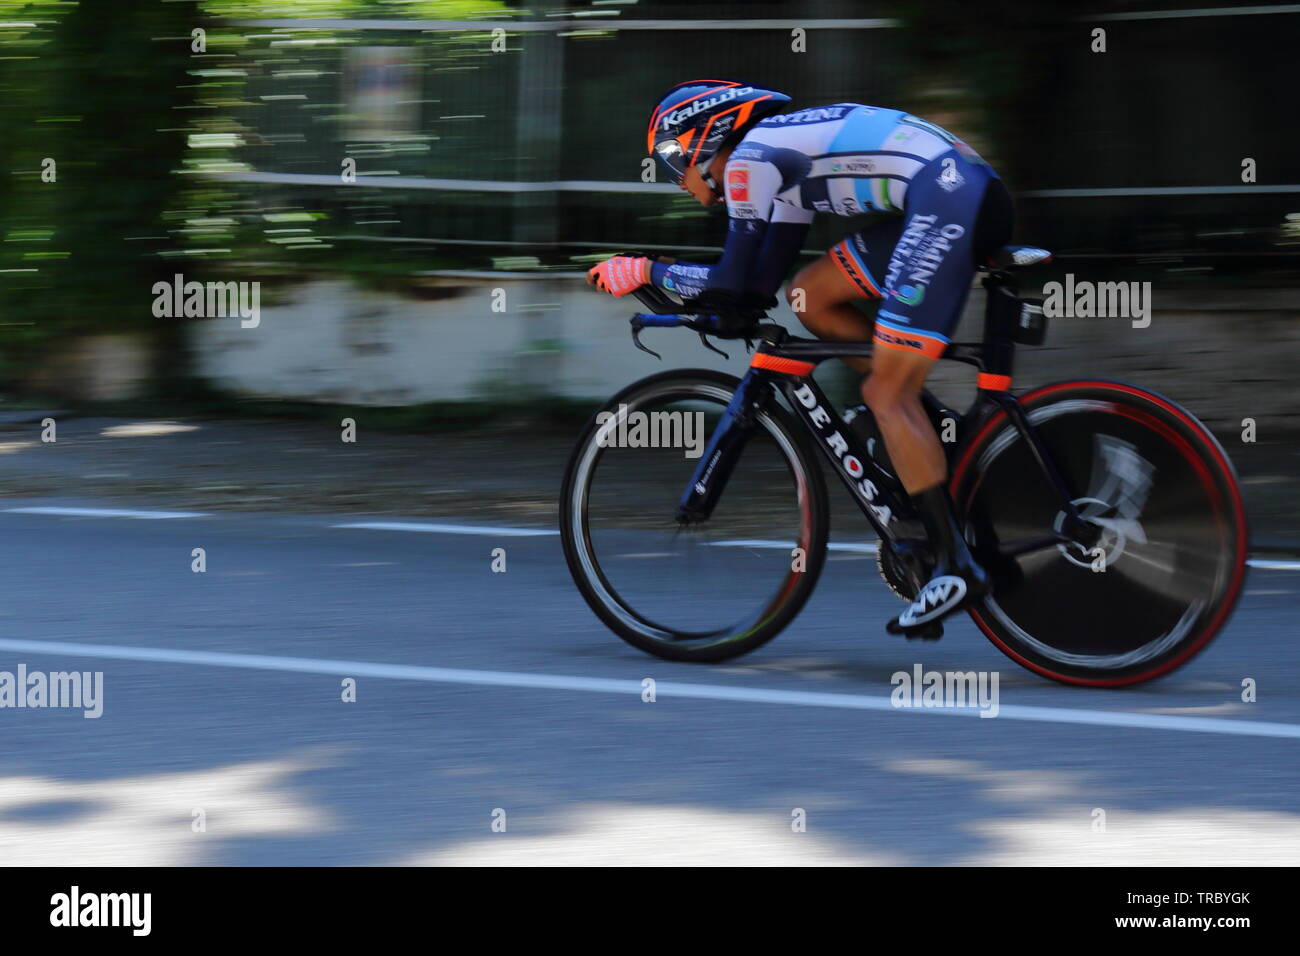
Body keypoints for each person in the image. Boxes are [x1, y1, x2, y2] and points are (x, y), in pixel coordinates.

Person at [587, 80, 1014, 637]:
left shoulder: (749, 161)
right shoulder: (779, 171)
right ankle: (930, 427)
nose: (678, 181)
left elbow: (730, 280)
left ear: (701, 138)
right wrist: (707, 303)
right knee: (809, 294)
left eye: (672, 160)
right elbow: (755, 288)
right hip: (953, 191)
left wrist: (644, 270)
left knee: (886, 392)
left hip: (949, 197)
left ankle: (953, 567)